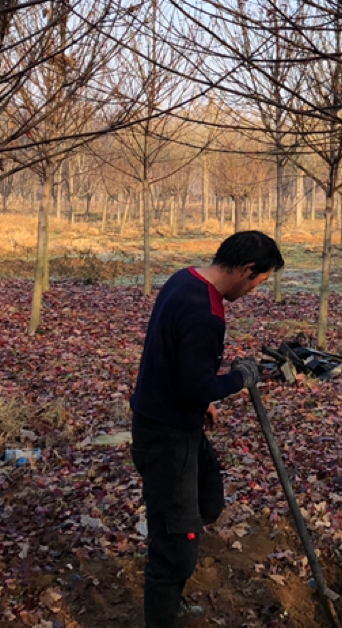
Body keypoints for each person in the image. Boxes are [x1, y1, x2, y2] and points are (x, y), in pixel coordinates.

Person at [130, 230, 284, 627]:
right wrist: (239, 378)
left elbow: (175, 358)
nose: (253, 291)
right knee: (177, 545)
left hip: (173, 418)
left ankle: (171, 580)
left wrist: (205, 399)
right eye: (258, 283)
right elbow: (194, 384)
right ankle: (163, 611)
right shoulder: (207, 312)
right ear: (247, 270)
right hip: (167, 435)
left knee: (208, 498)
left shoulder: (184, 279)